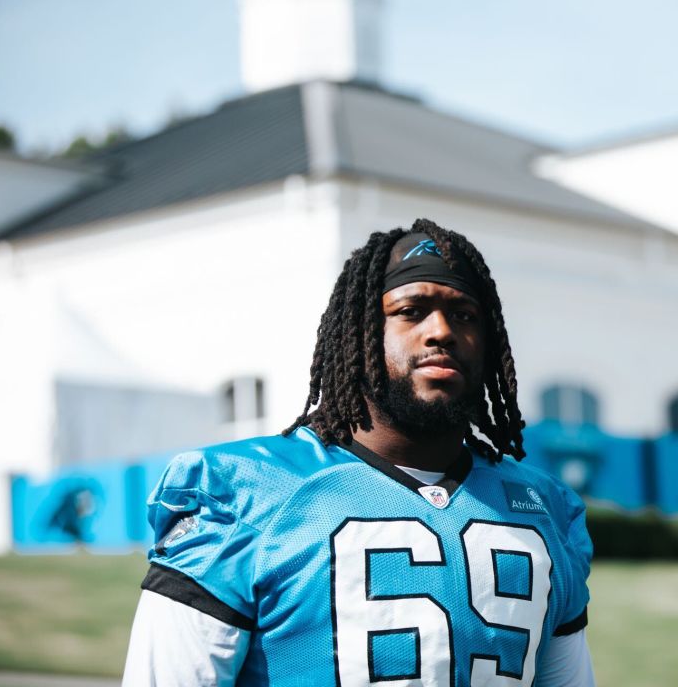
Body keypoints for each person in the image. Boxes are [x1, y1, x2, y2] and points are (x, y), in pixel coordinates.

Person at [123, 219, 596, 686]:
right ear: (359, 332)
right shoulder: (244, 490)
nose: (442, 332)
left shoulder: (543, 507)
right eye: (411, 311)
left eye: (465, 315)